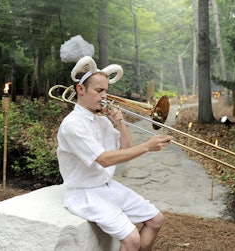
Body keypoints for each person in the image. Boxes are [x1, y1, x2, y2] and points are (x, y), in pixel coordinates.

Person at [57, 56, 172, 251]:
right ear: (80, 89)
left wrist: (121, 122)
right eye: (99, 90)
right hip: (85, 193)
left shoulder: (101, 121)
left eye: (106, 91)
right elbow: (103, 159)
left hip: (106, 186)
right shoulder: (72, 124)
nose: (105, 97)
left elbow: (126, 149)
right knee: (132, 240)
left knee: (155, 219)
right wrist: (146, 146)